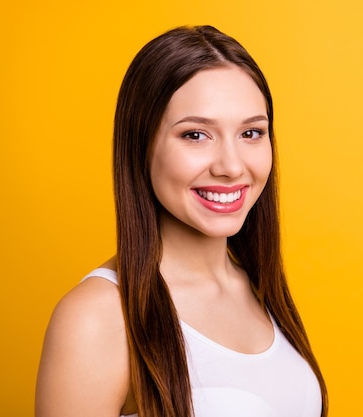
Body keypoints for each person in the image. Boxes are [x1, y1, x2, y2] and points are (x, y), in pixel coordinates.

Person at [35, 25, 328, 417]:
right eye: (195, 135)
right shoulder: (97, 318)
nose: (231, 166)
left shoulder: (257, 287)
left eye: (252, 132)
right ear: (141, 144)